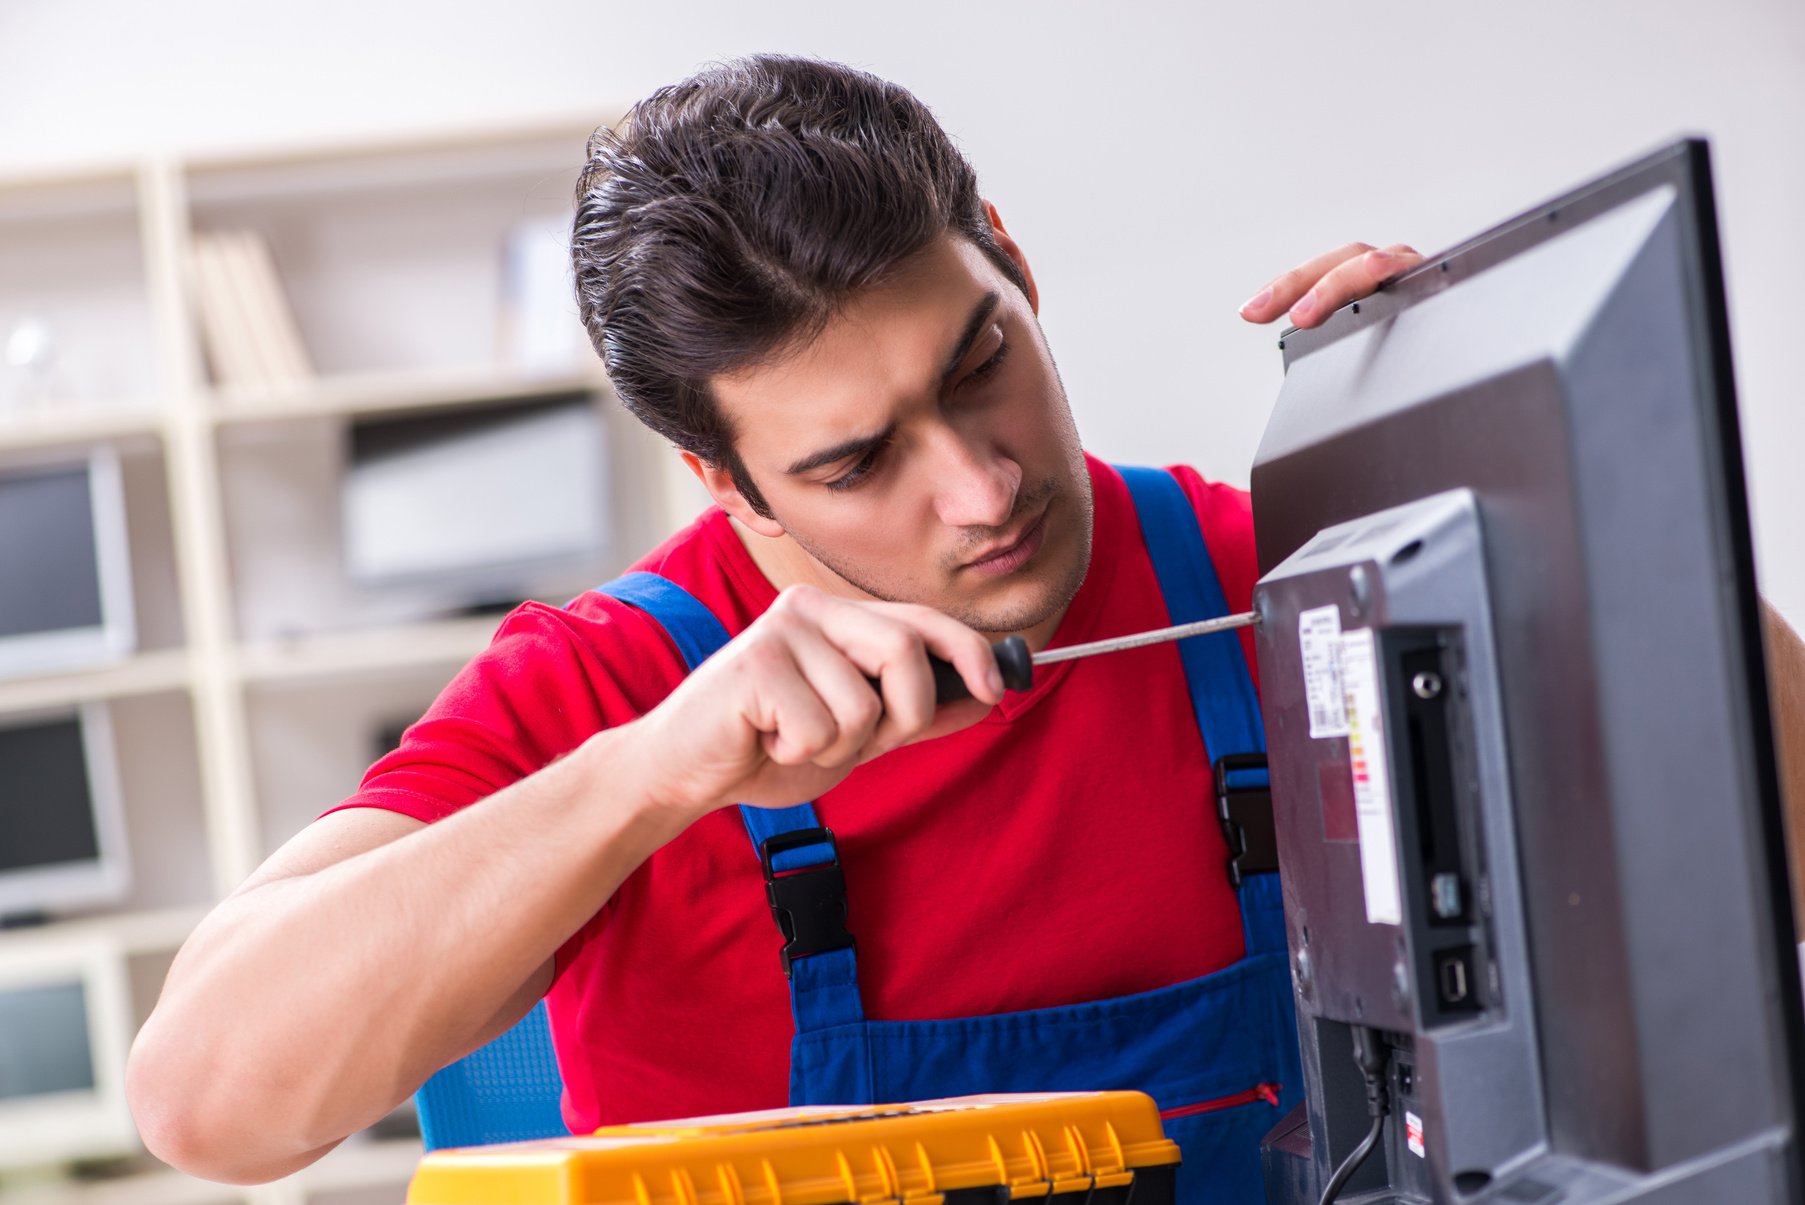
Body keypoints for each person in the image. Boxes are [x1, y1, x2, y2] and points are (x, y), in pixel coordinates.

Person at [127, 54, 1805, 1201]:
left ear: (1006, 260)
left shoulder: (1265, 569)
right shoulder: (611, 688)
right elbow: (210, 1100)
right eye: (857, 462)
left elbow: (1771, 852)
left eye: (977, 363)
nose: (983, 485)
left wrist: (1530, 470)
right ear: (725, 480)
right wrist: (654, 776)